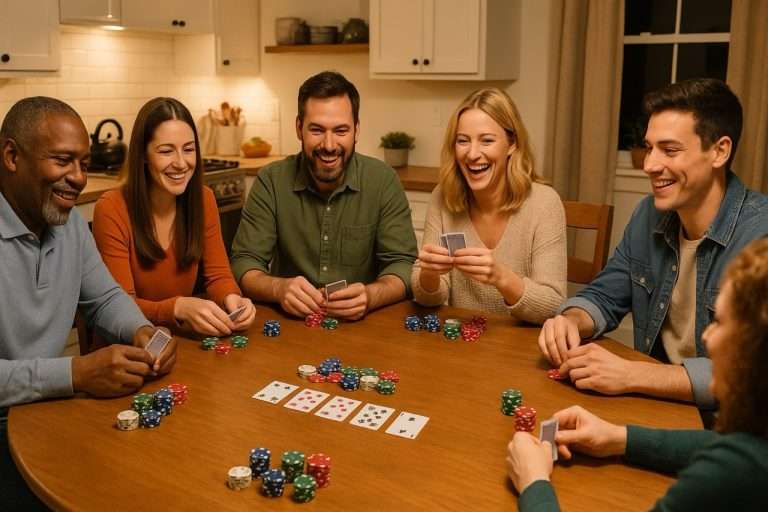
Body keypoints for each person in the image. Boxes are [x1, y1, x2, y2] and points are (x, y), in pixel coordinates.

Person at [537, 78, 768, 409]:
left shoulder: (761, 237)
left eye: (670, 150)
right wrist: (570, 320)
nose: (649, 165)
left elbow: (750, 374)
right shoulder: (649, 213)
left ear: (719, 151)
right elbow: (605, 295)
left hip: (727, 427)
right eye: (649, 147)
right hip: (656, 406)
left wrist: (632, 374)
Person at [0, 97, 177, 507]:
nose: (78, 178)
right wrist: (76, 374)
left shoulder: (70, 225)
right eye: (63, 161)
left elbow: (105, 297)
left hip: (49, 414)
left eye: (84, 162)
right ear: (11, 155)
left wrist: (143, 331)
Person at [507, 238, 768, 511]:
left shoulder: (736, 473)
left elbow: (731, 461)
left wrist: (534, 482)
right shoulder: (751, 449)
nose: (707, 336)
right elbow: (722, 446)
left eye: (720, 323)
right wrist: (618, 438)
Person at [231, 71, 417, 320]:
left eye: (341, 131)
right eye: (317, 130)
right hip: (290, 326)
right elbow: (245, 263)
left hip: (366, 328)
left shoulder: (383, 181)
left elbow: (403, 265)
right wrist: (278, 289)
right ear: (299, 128)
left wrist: (371, 295)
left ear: (356, 130)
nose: (329, 145)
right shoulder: (271, 181)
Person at [93, 98, 256, 337]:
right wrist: (178, 307)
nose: (181, 163)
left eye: (189, 149)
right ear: (144, 155)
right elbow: (119, 307)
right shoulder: (111, 208)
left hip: (181, 343)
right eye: (166, 151)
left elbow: (219, 276)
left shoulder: (204, 199)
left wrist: (233, 299)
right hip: (127, 350)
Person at [412, 88, 566, 323]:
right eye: (463, 141)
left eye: (487, 140)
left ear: (512, 143)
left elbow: (553, 305)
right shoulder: (442, 196)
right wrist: (429, 274)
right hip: (461, 347)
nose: (473, 154)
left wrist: (501, 277)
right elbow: (428, 298)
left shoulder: (545, 203)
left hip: (522, 350)